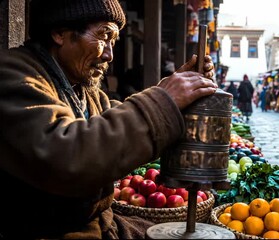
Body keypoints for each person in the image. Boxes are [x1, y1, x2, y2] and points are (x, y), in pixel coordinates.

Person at [0, 0, 217, 238]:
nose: (109, 55)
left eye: (113, 42)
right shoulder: (13, 76)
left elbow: (111, 122)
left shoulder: (81, 89)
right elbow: (68, 155)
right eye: (104, 37)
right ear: (59, 33)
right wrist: (165, 100)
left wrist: (176, 95)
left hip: (100, 224)